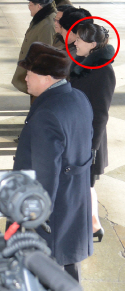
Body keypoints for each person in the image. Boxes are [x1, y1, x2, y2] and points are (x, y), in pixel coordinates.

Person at [14, 42, 94, 282]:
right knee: (69, 264)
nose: (25, 77)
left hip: (54, 206)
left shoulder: (46, 113)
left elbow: (46, 173)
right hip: (74, 198)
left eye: (30, 72)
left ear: (47, 77)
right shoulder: (77, 97)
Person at [68, 24, 116, 244]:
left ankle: (91, 225)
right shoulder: (82, 64)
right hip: (76, 132)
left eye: (79, 40)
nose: (74, 42)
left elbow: (101, 114)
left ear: (93, 45)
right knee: (83, 184)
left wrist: (91, 149)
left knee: (84, 183)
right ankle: (93, 224)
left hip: (88, 138)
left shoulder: (104, 71)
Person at [11, 0, 57, 96]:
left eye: (31, 4)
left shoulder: (48, 24)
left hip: (39, 77)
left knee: (36, 102)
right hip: (34, 72)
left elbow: (46, 53)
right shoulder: (41, 18)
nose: (29, 7)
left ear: (39, 6)